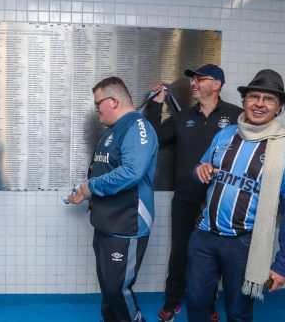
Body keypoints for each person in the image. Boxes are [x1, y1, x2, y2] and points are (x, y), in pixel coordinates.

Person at [187, 69, 285, 322]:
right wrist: (199, 170)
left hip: (243, 244)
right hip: (204, 237)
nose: (259, 104)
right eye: (254, 97)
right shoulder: (224, 135)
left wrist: (283, 264)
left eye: (268, 99)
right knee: (196, 303)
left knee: (238, 311)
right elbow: (200, 170)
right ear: (244, 101)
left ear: (279, 108)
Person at [142, 64, 242, 322]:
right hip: (186, 197)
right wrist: (156, 105)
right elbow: (151, 140)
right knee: (180, 252)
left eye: (200, 79)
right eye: (193, 80)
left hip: (220, 200)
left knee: (214, 255)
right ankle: (172, 301)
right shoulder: (181, 117)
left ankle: (208, 305)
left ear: (217, 84)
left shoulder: (237, 116)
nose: (193, 83)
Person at [67, 76, 158, 322]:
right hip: (105, 222)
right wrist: (82, 190)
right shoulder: (113, 131)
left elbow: (132, 172)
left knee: (118, 289)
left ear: (114, 101)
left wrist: (90, 188)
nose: (96, 109)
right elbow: (104, 171)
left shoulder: (137, 127)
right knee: (109, 289)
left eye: (98, 103)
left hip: (127, 223)